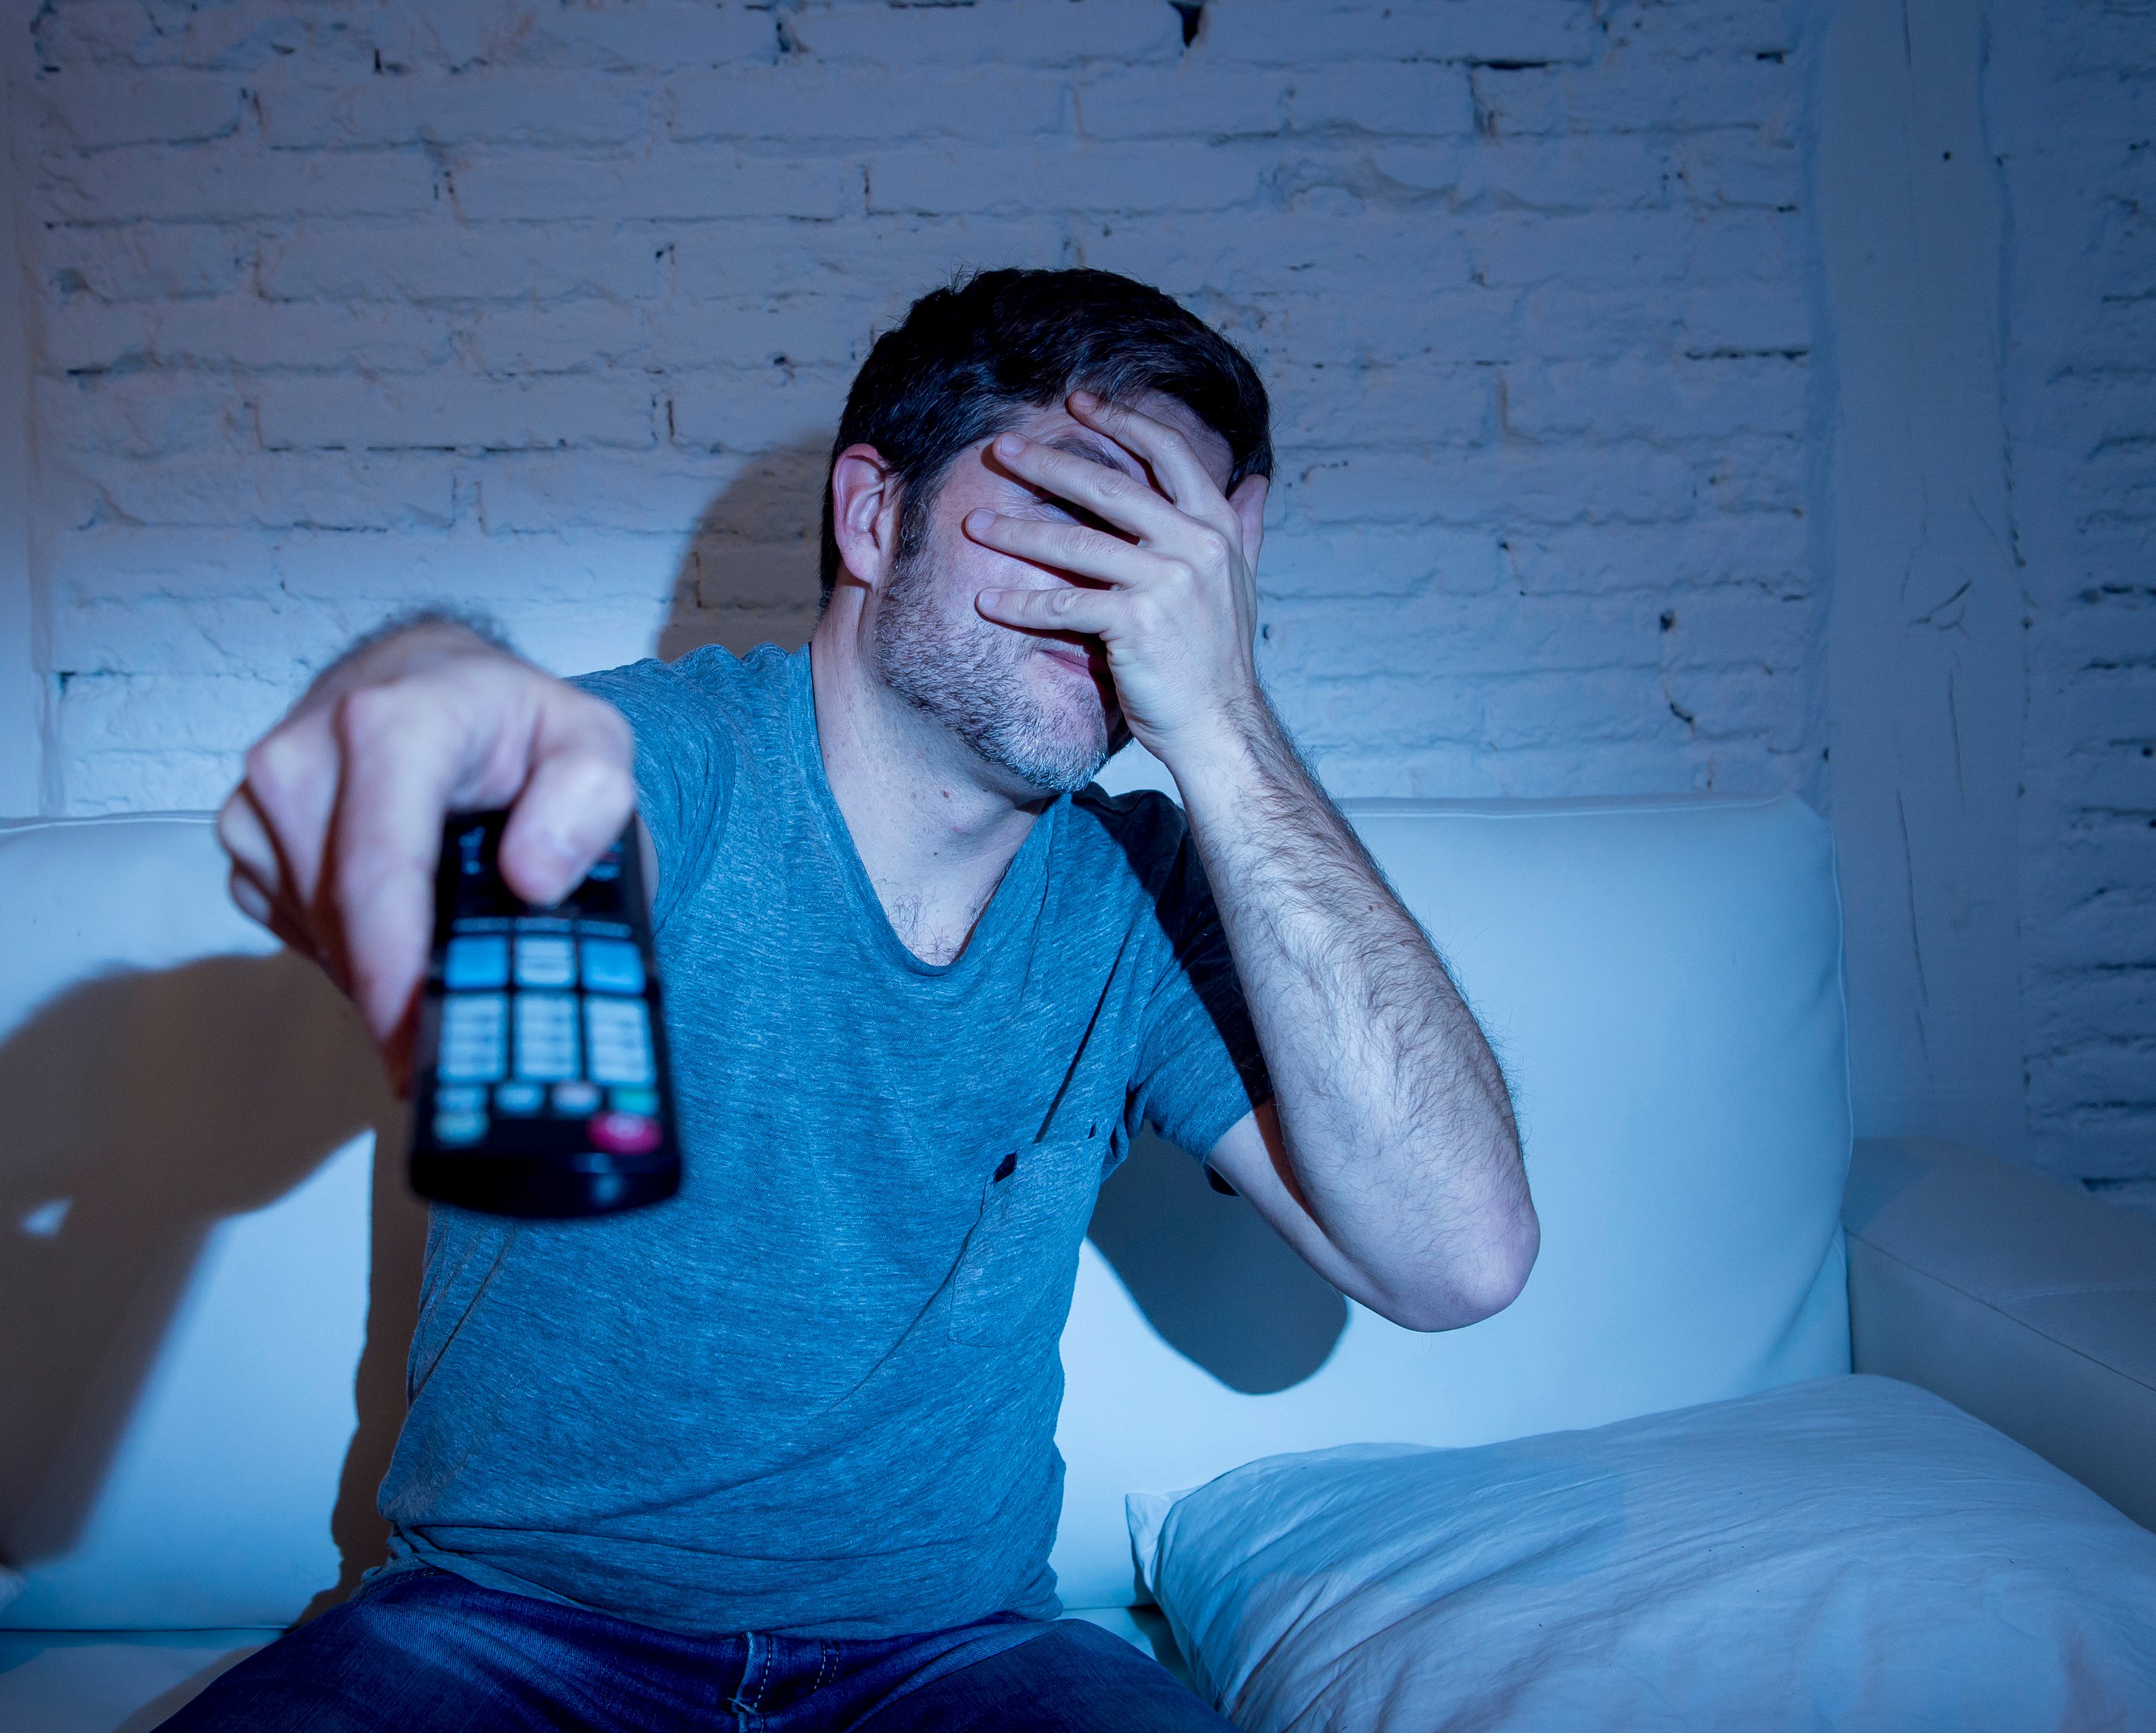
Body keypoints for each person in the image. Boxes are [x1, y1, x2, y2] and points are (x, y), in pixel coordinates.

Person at [183, 268, 1537, 1732]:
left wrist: (1225, 718)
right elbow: (521, 787)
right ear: (874, 518)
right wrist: (424, 686)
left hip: (957, 1658)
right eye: (1071, 511)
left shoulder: (1148, 893)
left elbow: (1457, 1260)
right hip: (506, 1633)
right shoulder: (669, 757)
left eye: (1173, 551)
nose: (1119, 593)